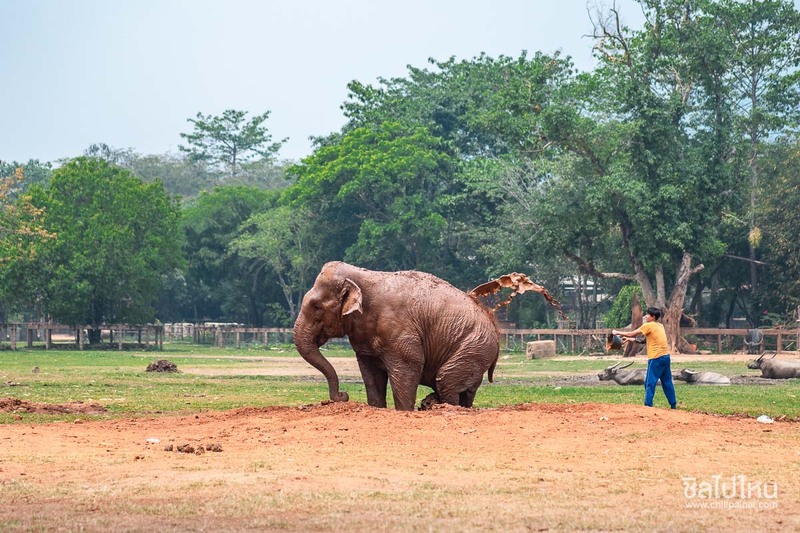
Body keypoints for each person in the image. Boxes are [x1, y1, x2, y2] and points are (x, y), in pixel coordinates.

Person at [612, 306, 677, 409]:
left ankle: (648, 406)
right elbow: (645, 340)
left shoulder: (648, 325)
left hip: (656, 358)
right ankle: (673, 405)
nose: (646, 316)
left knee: (649, 383)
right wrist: (630, 339)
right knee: (667, 381)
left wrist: (617, 332)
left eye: (648, 315)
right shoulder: (660, 326)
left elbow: (631, 333)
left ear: (653, 317)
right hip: (665, 357)